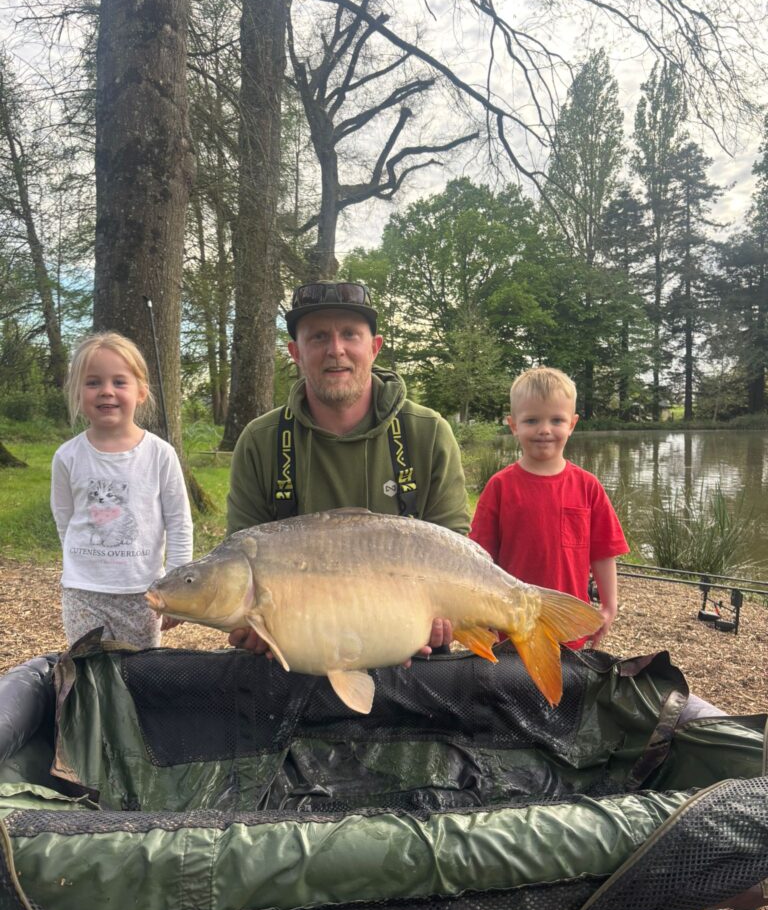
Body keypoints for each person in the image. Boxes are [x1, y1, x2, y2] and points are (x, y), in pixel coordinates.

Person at [226, 280, 470, 655]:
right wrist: (252, 624)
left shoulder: (428, 432)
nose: (335, 350)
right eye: (318, 337)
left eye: (350, 334)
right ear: (296, 352)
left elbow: (455, 550)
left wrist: (445, 618)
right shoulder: (261, 441)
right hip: (294, 651)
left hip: (412, 646)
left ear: (374, 347)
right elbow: (240, 561)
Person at [50, 332, 193, 648]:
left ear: (141, 391)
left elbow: (179, 523)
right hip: (83, 593)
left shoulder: (160, 454)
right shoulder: (67, 456)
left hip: (141, 594)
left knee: (140, 671)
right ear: (77, 393)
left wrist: (175, 590)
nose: (106, 391)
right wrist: (81, 563)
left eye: (119, 382)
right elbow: (65, 519)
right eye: (93, 382)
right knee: (89, 668)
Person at [470, 366, 628, 647]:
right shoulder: (500, 486)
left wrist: (608, 605)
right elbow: (480, 559)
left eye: (556, 420)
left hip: (570, 627)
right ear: (513, 425)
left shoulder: (588, 486)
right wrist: (481, 613)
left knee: (568, 676)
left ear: (572, 424)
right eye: (532, 420)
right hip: (511, 627)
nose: (544, 430)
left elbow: (604, 553)